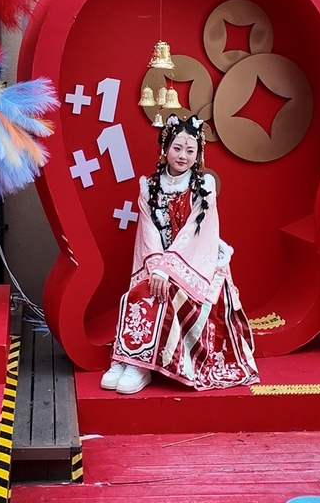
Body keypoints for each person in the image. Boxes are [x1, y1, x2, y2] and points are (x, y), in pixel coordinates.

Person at [100, 114, 259, 395]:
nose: (182, 156)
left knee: (169, 291)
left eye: (190, 150)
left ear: (198, 155)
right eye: (177, 148)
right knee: (142, 290)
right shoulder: (149, 187)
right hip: (158, 259)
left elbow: (195, 234)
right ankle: (126, 358)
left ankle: (142, 364)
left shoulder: (204, 187)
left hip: (196, 262)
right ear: (165, 148)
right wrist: (156, 267)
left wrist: (168, 269)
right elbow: (148, 231)